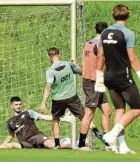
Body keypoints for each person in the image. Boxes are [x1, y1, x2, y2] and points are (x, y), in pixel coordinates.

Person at [95, 4, 140, 154]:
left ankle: (122, 147)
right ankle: (112, 135)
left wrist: (99, 78)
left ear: (114, 16)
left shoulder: (104, 33)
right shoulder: (128, 33)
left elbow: (100, 56)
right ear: (127, 16)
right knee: (137, 108)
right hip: (123, 77)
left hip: (109, 78)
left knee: (120, 109)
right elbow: (133, 59)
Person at [40, 47, 104, 150]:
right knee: (84, 117)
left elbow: (48, 87)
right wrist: (75, 65)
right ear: (59, 55)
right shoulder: (69, 65)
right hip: (72, 97)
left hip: (58, 99)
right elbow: (81, 72)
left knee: (55, 120)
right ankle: (97, 132)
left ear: (49, 57)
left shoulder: (50, 70)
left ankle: (57, 144)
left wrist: (43, 102)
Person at [0, 96, 73, 149]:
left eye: (20, 104)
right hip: (25, 142)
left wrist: (63, 118)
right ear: (12, 106)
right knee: (11, 145)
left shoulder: (28, 113)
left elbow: (45, 117)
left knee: (52, 145)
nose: (18, 106)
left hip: (37, 137)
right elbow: (10, 136)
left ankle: (74, 145)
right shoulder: (10, 121)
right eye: (16, 105)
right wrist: (4, 145)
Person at [78, 21, 112, 150]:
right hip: (93, 81)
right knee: (89, 113)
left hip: (94, 81)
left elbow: (83, 63)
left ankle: (108, 143)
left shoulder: (88, 43)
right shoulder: (100, 45)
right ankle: (81, 144)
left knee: (107, 111)